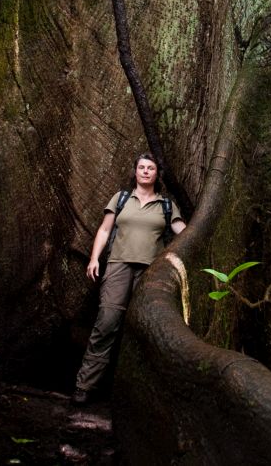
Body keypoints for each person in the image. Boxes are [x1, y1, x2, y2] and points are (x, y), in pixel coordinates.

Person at [72, 153, 186, 405]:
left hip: (152, 273)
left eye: (151, 168)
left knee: (144, 327)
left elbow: (184, 234)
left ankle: (136, 396)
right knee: (106, 323)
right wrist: (94, 259)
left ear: (157, 174)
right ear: (135, 172)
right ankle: (85, 385)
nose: (145, 171)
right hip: (117, 266)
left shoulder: (166, 205)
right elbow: (104, 229)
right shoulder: (122, 198)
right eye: (141, 167)